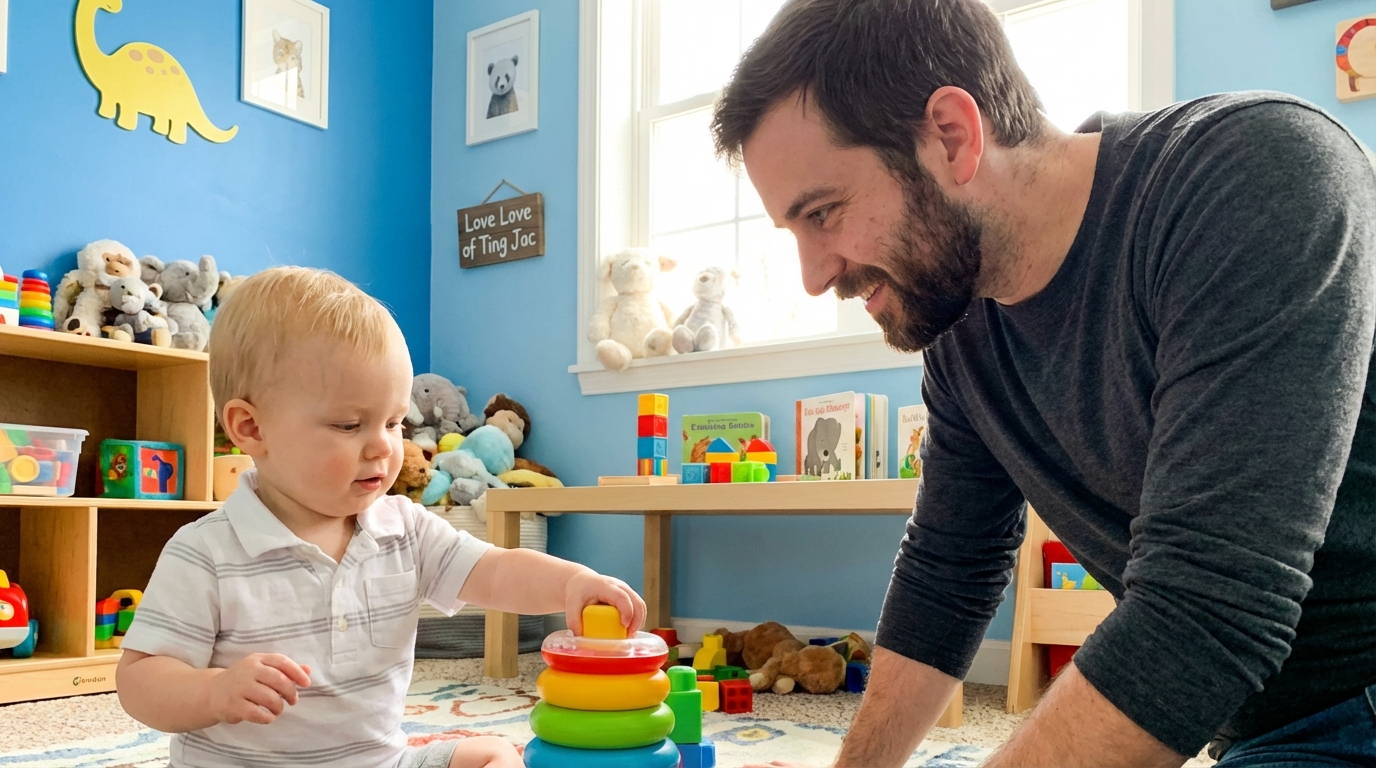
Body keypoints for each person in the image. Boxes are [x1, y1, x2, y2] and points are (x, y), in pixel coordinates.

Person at [712, 1, 1376, 766]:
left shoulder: (1255, 175)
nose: (813, 274)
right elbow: (948, 570)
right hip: (1256, 723)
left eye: (823, 212)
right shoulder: (964, 322)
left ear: (952, 135)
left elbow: (1208, 608)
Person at [116, 267, 647, 768]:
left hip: (377, 760)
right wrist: (213, 692)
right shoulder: (206, 552)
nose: (382, 448)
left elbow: (498, 571)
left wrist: (576, 582)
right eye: (349, 425)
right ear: (251, 428)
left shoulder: (404, 527)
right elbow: (140, 680)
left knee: (492, 754)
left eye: (394, 422)